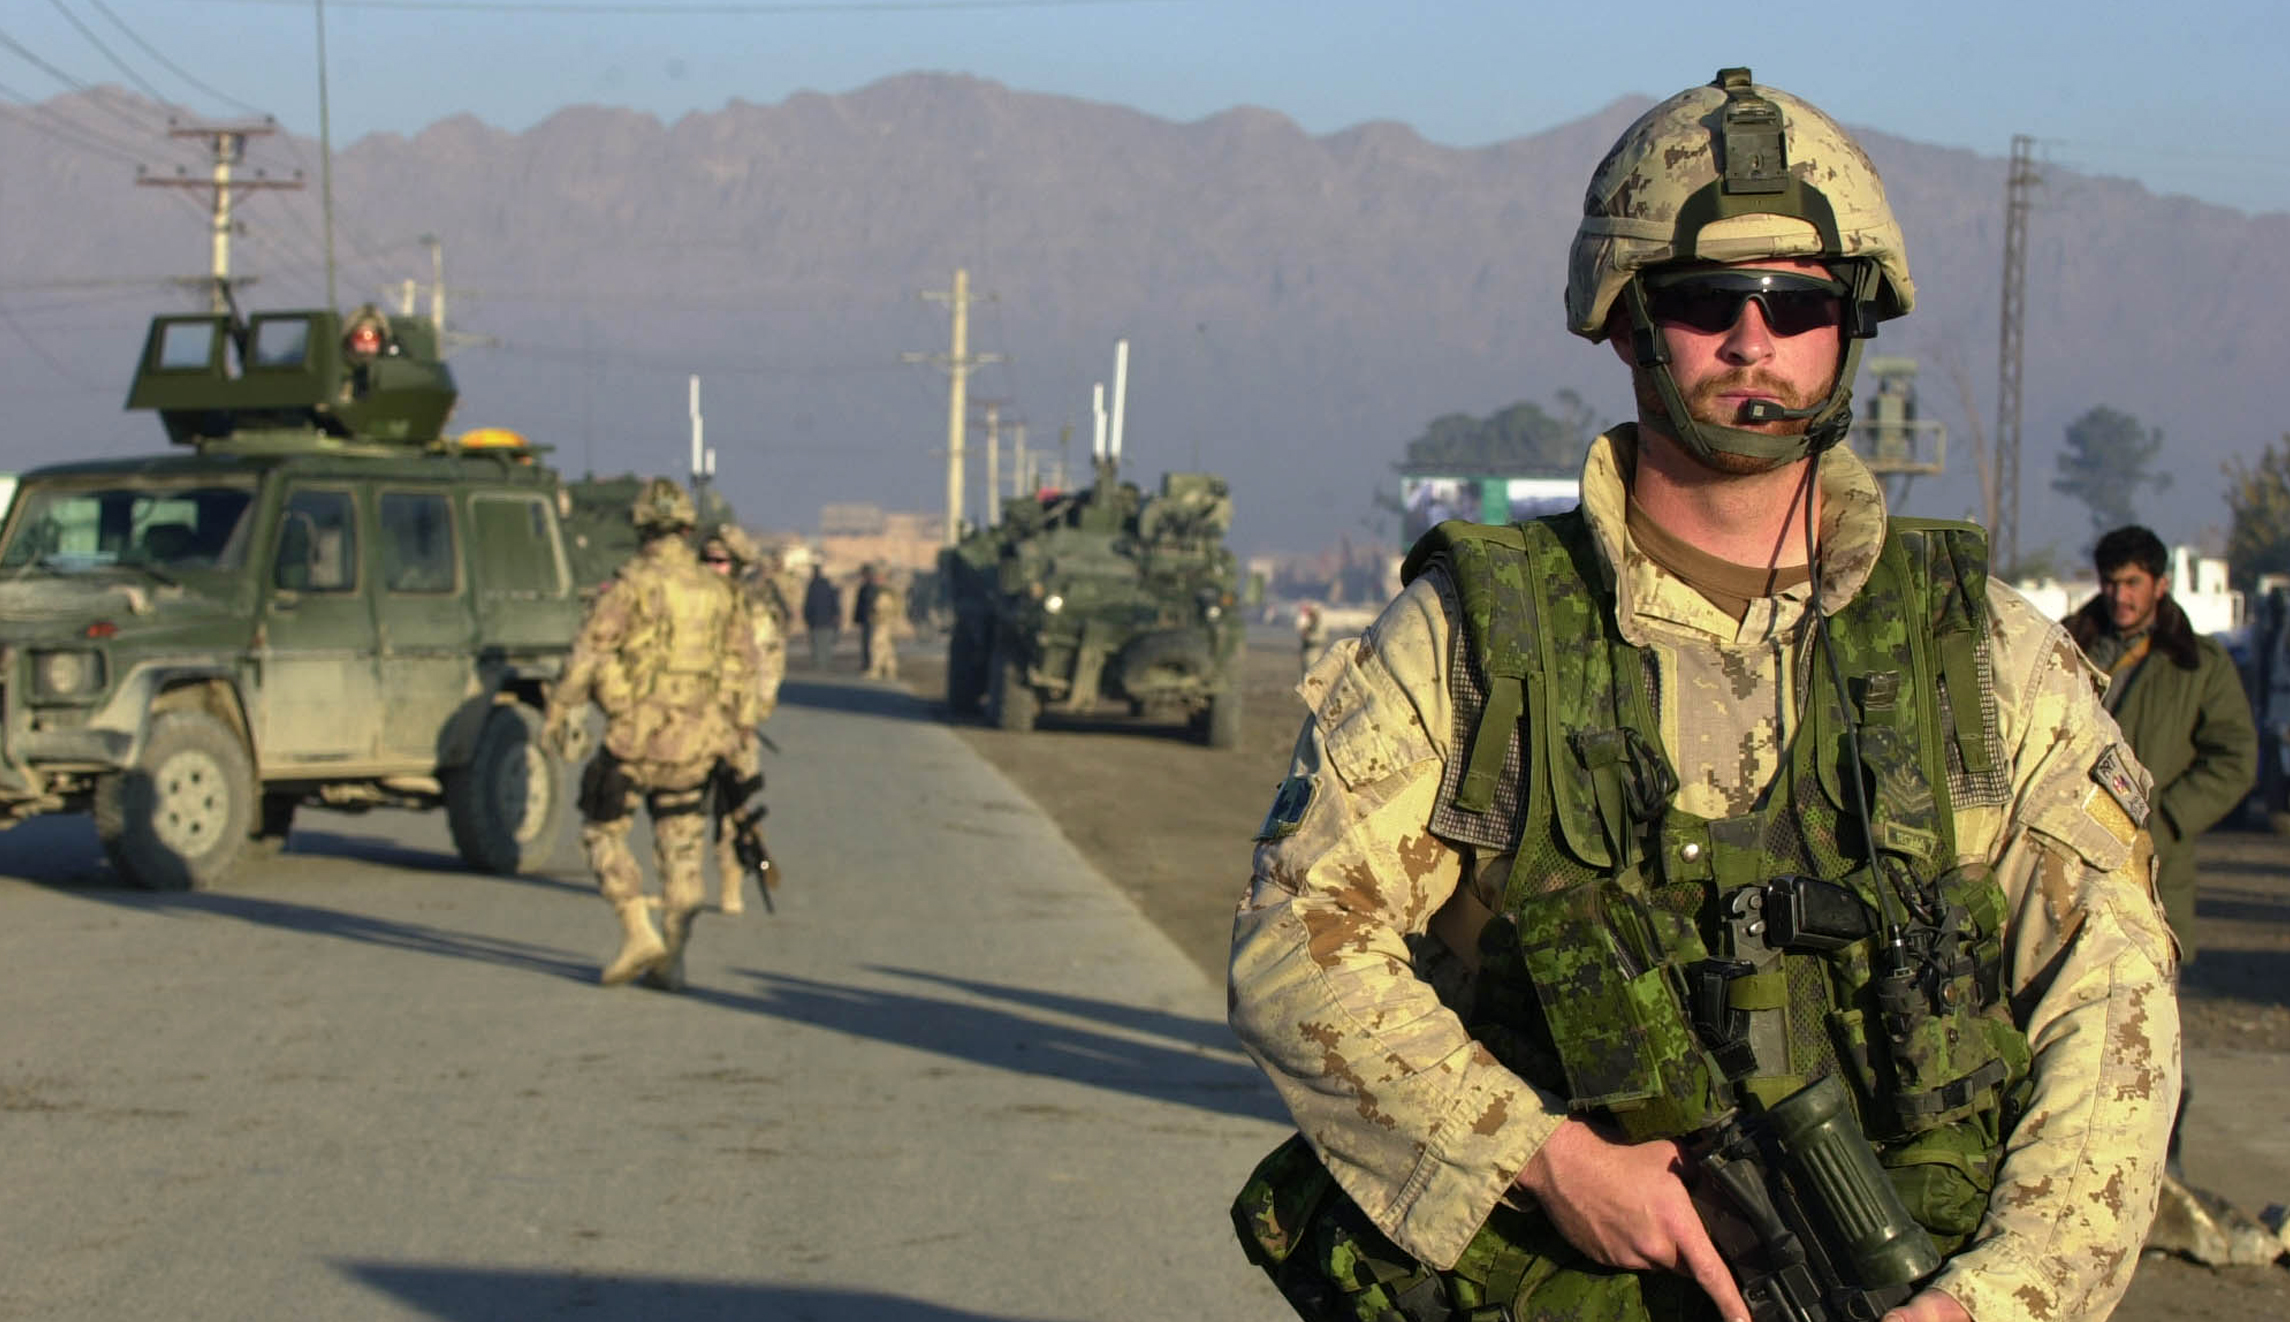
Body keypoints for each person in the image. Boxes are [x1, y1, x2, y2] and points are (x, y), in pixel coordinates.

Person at [1227, 69, 2178, 1322]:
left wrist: (2002, 1297)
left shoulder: (1985, 654)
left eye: (1794, 302)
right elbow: (1298, 942)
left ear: (1849, 326)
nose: (1750, 339)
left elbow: (2113, 1001)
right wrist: (1544, 1160)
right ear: (1626, 322)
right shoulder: (1474, 638)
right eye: (1702, 301)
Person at [2066, 524, 2254, 1180]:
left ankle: (2157, 1182)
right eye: (2111, 582)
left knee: (2153, 1037)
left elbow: (2235, 759)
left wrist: (2167, 821)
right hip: (2065, 869)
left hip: (2155, 880)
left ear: (2160, 584)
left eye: (2133, 583)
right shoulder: (2067, 647)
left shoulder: (2195, 665)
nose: (2119, 596)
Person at [543, 478, 762, 990]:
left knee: (601, 830)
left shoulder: (631, 586)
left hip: (636, 736)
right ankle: (676, 957)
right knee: (682, 841)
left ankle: (637, 929)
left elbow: (591, 651)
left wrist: (560, 705)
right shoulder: (721, 592)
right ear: (687, 529)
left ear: (641, 527)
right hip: (698, 738)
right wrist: (735, 727)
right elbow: (744, 665)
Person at [701, 523, 788, 916]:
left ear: (734, 565)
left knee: (734, 810)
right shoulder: (689, 603)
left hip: (735, 725)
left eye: (719, 562)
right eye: (706, 560)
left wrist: (752, 713)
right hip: (687, 723)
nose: (712, 567)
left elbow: (769, 667)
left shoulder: (753, 611)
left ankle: (735, 881)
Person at [864, 573, 904, 680]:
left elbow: (880, 609)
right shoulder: (891, 592)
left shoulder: (884, 593)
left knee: (877, 646)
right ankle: (891, 670)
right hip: (888, 624)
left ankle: (876, 670)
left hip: (883, 623)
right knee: (888, 648)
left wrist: (873, 614)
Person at [802, 564, 841, 670]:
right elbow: (835, 603)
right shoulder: (828, 586)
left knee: (817, 643)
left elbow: (808, 604)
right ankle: (825, 663)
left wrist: (806, 617)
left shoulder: (812, 587)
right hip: (827, 620)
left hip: (816, 620)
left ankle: (820, 664)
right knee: (825, 643)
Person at [852, 564, 885, 675]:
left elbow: (872, 605)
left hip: (871, 620)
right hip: (866, 619)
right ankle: (867, 665)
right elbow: (860, 605)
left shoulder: (872, 588)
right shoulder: (866, 587)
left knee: (871, 644)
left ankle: (872, 666)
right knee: (867, 644)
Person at [1294, 601, 1325, 678]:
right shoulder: (1309, 623)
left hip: (1314, 652)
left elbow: (1320, 638)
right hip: (1306, 652)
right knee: (1305, 674)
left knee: (1312, 673)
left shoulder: (1319, 625)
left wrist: (1307, 636)